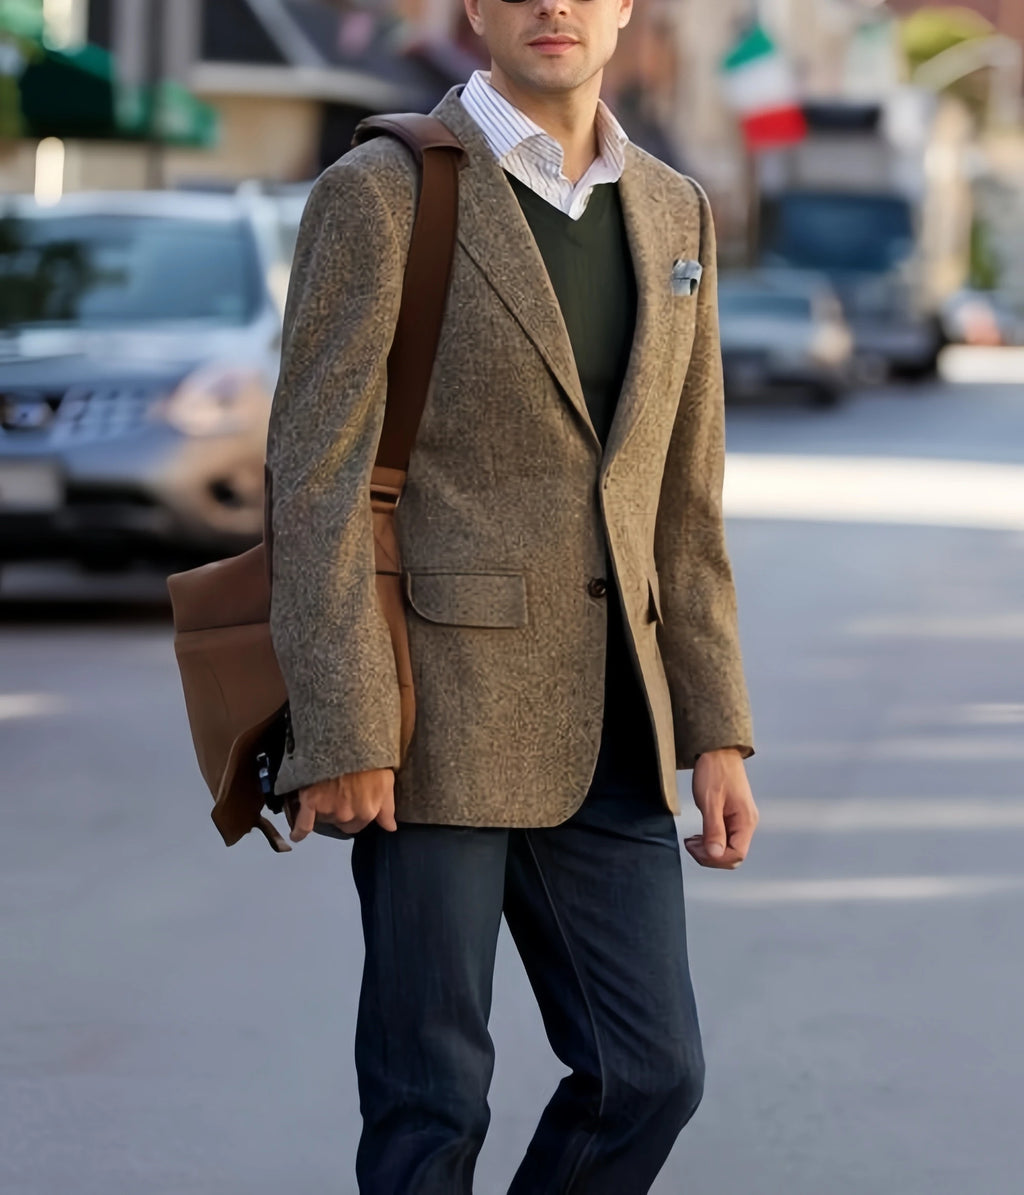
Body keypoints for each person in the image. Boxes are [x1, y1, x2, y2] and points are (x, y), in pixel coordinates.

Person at [266, 0, 758, 1190]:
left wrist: (715, 725)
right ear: (473, 9)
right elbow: (315, 480)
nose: (554, 6)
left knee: (652, 1074)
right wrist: (345, 720)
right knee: (431, 1099)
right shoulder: (382, 193)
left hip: (616, 726)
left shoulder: (672, 208)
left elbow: (680, 503)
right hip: (433, 718)